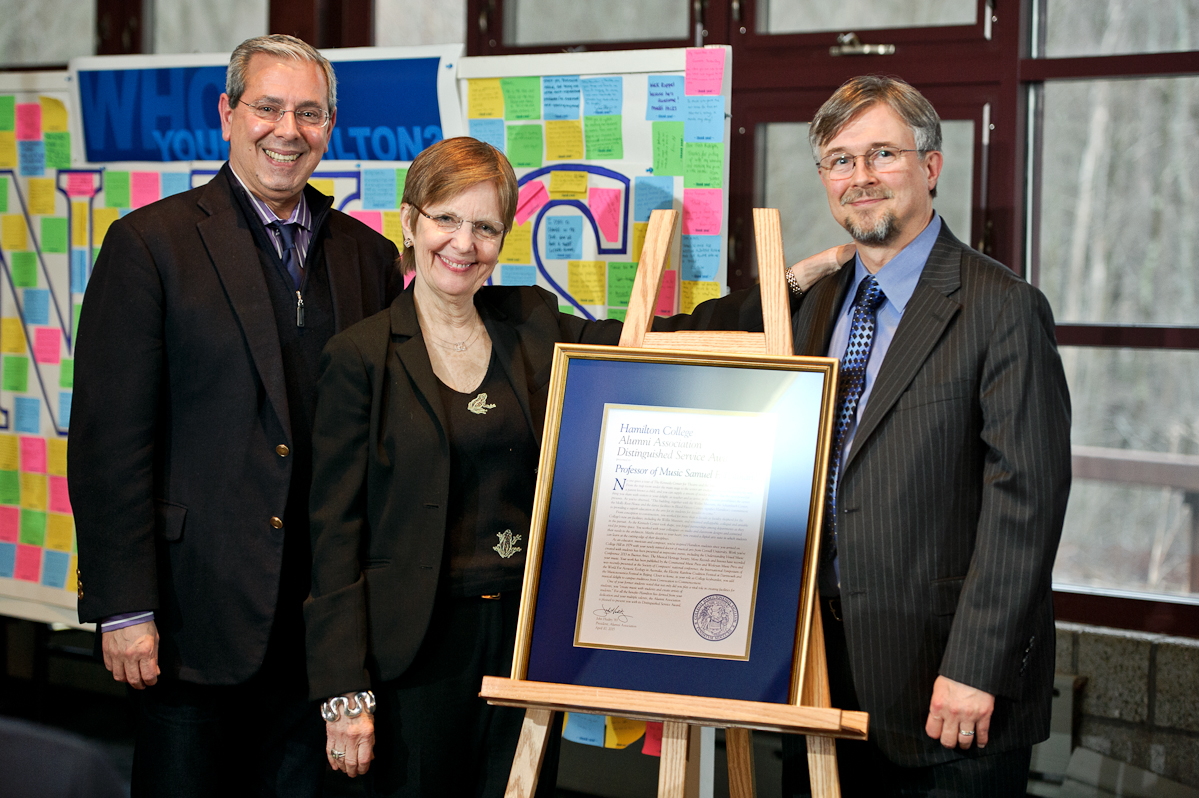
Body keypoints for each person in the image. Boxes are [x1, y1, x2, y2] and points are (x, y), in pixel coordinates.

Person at [303, 136, 840, 796]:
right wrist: (342, 690)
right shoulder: (360, 355)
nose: (463, 244)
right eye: (446, 219)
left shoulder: (527, 322)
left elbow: (654, 338)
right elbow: (332, 536)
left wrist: (783, 288)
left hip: (526, 641)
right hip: (408, 652)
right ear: (410, 221)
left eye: (485, 227)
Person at [68, 34, 402, 797]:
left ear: (330, 125)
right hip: (191, 619)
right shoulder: (148, 246)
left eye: (310, 113)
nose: (289, 130)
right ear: (227, 113)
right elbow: (109, 442)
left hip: (318, 630)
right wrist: (122, 604)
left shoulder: (367, 257)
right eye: (269, 107)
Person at [782, 75, 1072, 795]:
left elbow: (1025, 503)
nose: (861, 177)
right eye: (840, 160)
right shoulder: (813, 305)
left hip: (946, 693)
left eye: (882, 153)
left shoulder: (1001, 307)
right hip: (811, 676)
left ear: (930, 165)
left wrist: (975, 667)